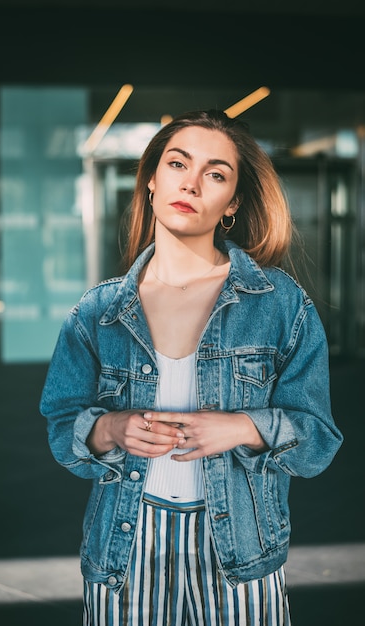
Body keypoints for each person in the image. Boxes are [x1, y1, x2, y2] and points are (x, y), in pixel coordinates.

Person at [40, 109, 343, 625]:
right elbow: (61, 426)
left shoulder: (280, 304)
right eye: (178, 164)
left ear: (233, 203)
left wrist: (243, 427)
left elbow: (317, 440)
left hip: (241, 551)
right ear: (153, 181)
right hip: (126, 546)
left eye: (217, 174)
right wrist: (111, 427)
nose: (193, 183)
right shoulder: (99, 312)